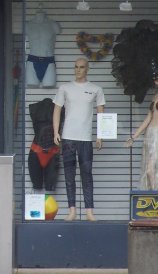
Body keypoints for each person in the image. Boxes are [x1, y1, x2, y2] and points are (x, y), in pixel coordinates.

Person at [52, 57, 105, 221]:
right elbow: (57, 110)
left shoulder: (96, 89)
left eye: (81, 67)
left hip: (85, 139)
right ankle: (72, 211)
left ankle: (89, 211)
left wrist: (100, 135)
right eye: (76, 67)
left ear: (87, 69)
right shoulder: (64, 88)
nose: (78, 70)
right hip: (68, 137)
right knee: (69, 176)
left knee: (87, 175)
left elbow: (101, 113)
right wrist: (56, 132)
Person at [125, 71, 158, 190]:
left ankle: (157, 194)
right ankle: (155, 192)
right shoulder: (155, 96)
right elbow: (148, 118)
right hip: (150, 134)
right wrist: (134, 137)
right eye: (154, 76)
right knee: (151, 168)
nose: (156, 78)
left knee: (152, 169)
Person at [26, 10, 61, 88]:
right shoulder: (28, 25)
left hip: (49, 61)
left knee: (49, 87)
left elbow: (58, 31)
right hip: (32, 61)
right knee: (31, 88)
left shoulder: (53, 24)